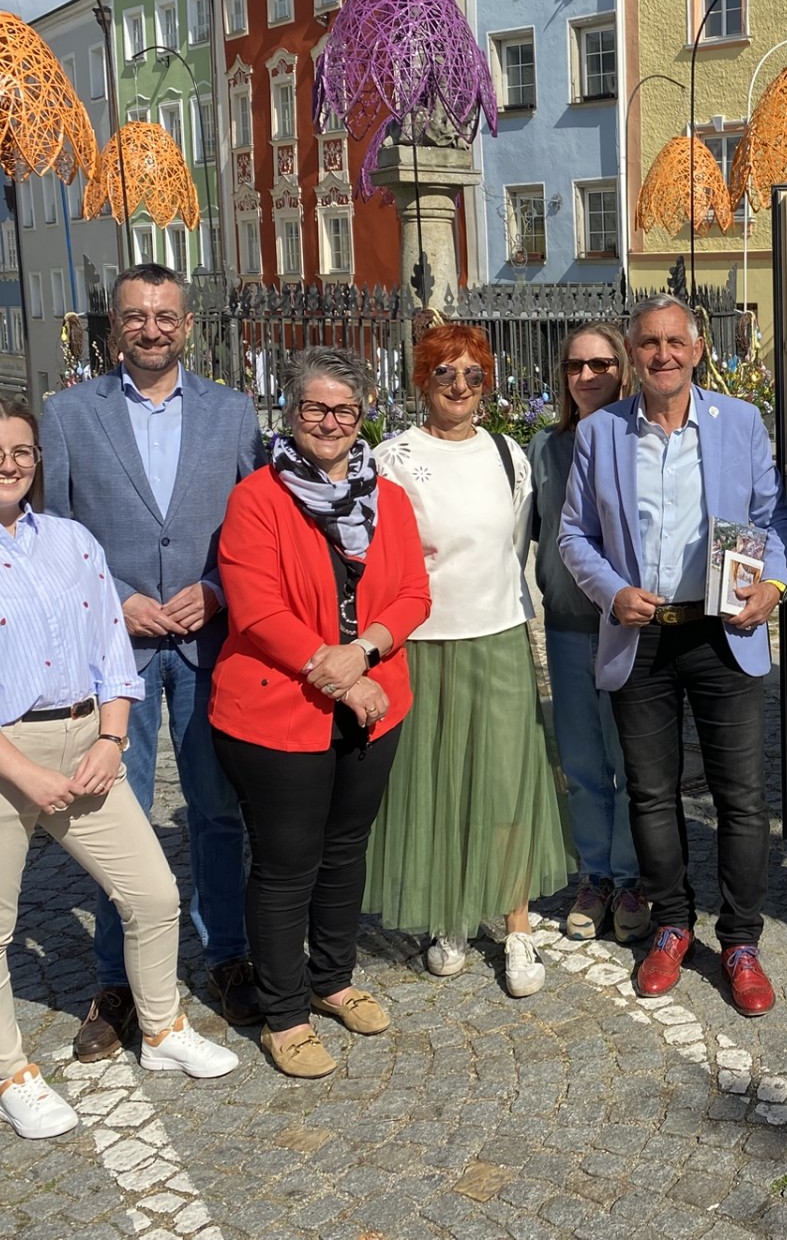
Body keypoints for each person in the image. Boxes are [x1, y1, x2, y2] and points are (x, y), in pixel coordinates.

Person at [0, 397, 238, 1139]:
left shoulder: (72, 541)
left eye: (21, 450)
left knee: (151, 894)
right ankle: (11, 1074)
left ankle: (162, 1029)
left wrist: (111, 741)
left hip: (85, 743)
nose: (8, 464)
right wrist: (27, 775)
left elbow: (112, 652)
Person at [41, 262, 269, 1060]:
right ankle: (118, 983)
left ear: (188, 324)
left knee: (215, 811)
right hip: (116, 652)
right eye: (135, 316)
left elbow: (256, 525)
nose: (150, 329)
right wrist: (112, 597)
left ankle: (227, 957)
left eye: (164, 316)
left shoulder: (233, 412)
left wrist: (217, 588)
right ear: (113, 326)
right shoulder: (69, 415)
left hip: (209, 645)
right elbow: (54, 537)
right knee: (115, 819)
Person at [560, 294, 787, 1017]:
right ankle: (669, 924)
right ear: (633, 354)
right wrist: (609, 592)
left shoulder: (740, 422)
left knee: (743, 800)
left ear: (697, 350)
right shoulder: (601, 432)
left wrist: (775, 584)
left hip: (724, 631)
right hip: (644, 633)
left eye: (675, 342)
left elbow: (771, 518)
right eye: (648, 343)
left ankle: (741, 941)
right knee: (652, 795)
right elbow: (574, 535)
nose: (662, 354)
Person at [209, 348, 432, 1079]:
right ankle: (284, 1014)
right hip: (280, 709)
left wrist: (363, 654)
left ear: (362, 415)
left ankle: (332, 978)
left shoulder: (388, 499)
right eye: (314, 408)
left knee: (346, 850)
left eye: (343, 409)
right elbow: (258, 611)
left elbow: (412, 597)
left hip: (370, 701)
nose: (329, 422)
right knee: (285, 865)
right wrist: (333, 672)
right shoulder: (257, 499)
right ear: (291, 413)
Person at [368, 324, 574, 997]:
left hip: (498, 633)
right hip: (420, 642)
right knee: (435, 777)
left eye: (472, 375)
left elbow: (516, 545)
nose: (459, 387)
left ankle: (517, 923)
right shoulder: (392, 459)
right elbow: (371, 553)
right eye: (444, 373)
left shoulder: (508, 454)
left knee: (507, 780)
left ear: (488, 383)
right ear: (421, 381)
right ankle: (450, 913)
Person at [530, 323, 652, 945]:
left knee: (633, 761)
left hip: (630, 628)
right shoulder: (543, 449)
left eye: (601, 364)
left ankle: (632, 877)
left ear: (623, 370)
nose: (588, 377)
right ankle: (595, 874)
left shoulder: (640, 440)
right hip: (570, 625)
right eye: (576, 366)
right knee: (581, 763)